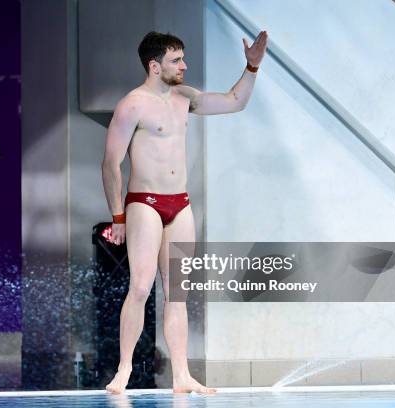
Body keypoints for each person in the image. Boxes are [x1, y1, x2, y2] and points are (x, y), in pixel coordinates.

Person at [101, 30, 268, 394]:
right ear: (154, 65)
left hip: (180, 204)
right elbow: (111, 164)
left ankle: (181, 374)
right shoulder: (132, 104)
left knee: (178, 292)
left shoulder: (183, 97)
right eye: (177, 60)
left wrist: (252, 67)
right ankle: (124, 369)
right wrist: (117, 217)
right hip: (144, 202)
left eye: (183, 59)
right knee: (142, 286)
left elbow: (234, 102)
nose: (184, 65)